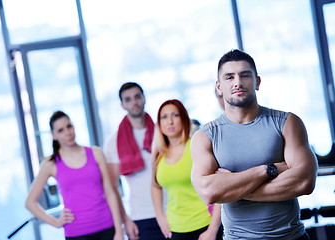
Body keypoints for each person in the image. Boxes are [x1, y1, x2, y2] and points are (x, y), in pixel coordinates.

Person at [190, 49, 318, 240]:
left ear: (257, 81)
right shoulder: (205, 136)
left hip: (291, 237)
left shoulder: (287, 122)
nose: (237, 82)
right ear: (219, 86)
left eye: (245, 75)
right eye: (229, 77)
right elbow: (209, 192)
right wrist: (268, 170)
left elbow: (304, 181)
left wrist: (233, 189)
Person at [25, 111, 123, 240]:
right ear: (54, 135)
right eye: (61, 130)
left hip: (107, 227)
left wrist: (119, 230)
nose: (67, 132)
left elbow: (110, 192)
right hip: (76, 233)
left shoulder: (96, 153)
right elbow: (29, 203)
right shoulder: (50, 164)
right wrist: (56, 222)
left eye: (69, 126)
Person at [151, 99, 221, 240]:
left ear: (183, 118)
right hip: (176, 229)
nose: (169, 121)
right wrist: (159, 216)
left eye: (175, 115)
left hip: (205, 225)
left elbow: (218, 186)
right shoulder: (159, 154)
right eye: (164, 117)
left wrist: (213, 230)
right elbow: (154, 186)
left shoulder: (197, 145)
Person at [104, 82, 165, 240]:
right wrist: (125, 220)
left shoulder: (163, 131)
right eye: (128, 99)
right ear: (122, 105)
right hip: (140, 217)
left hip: (171, 210)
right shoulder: (114, 142)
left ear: (144, 98)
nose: (134, 102)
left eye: (137, 97)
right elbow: (113, 187)